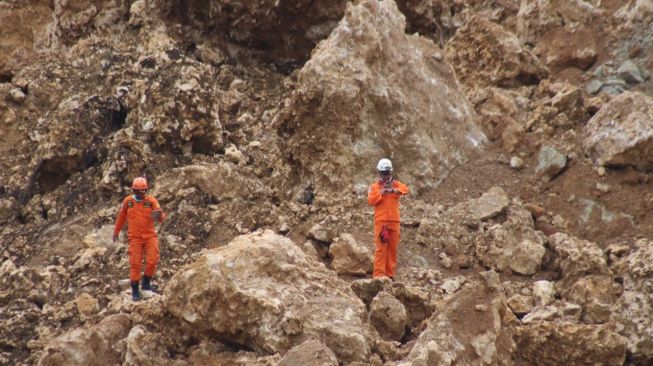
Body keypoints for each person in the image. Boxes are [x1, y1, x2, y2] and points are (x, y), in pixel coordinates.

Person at [113, 177, 166, 301]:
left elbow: (161, 218)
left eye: (144, 191)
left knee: (152, 260)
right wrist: (116, 231)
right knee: (135, 263)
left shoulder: (151, 201)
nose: (141, 194)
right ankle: (135, 289)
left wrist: (159, 215)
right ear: (134, 190)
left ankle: (146, 283)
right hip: (134, 238)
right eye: (138, 192)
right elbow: (121, 216)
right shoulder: (128, 202)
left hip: (149, 236)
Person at [367, 158, 409, 279]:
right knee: (381, 249)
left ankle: (389, 275)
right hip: (381, 222)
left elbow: (405, 189)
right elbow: (370, 200)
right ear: (378, 173)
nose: (385, 176)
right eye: (383, 173)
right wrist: (382, 192)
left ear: (390, 173)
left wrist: (392, 190)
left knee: (392, 249)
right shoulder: (374, 187)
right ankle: (379, 276)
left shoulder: (396, 185)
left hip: (394, 222)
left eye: (387, 173)